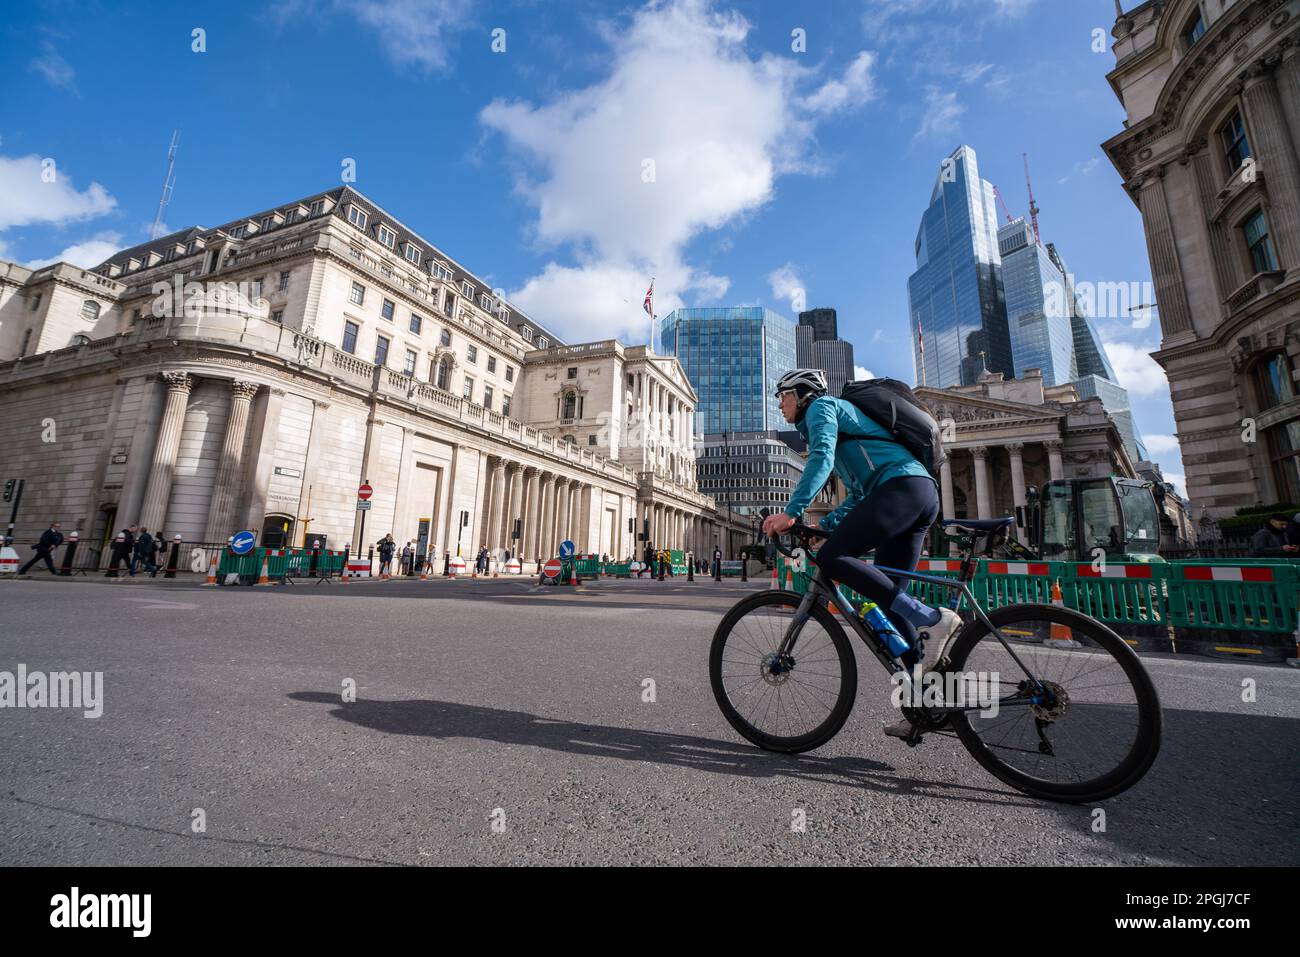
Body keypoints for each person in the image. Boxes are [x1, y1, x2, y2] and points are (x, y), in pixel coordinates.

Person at [759, 368, 961, 740]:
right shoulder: (844, 434)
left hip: (902, 487)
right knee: (890, 605)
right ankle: (925, 706)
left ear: (801, 394)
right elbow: (857, 495)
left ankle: (931, 617)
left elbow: (818, 459)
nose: (780, 403)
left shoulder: (822, 409)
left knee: (834, 560)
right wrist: (827, 527)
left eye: (782, 394)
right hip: (916, 493)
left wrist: (791, 512)